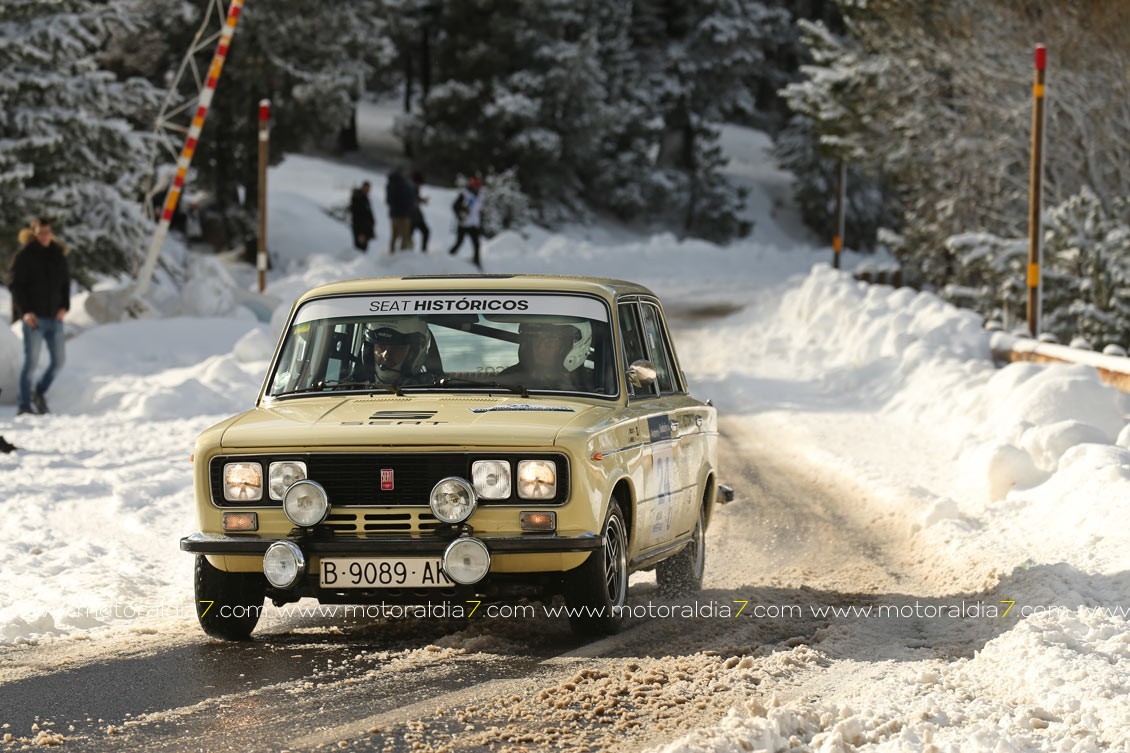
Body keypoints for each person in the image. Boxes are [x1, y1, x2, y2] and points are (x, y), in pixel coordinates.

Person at [10, 217, 70, 416]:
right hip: (34, 318)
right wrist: (25, 311)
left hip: (55, 317)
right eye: (41, 233)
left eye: (48, 232)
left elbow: (65, 283)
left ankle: (39, 392)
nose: (45, 236)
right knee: (31, 363)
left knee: (59, 361)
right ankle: (24, 404)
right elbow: (16, 286)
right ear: (34, 233)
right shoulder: (25, 256)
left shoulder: (57, 254)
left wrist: (65, 306)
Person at [498, 321, 591, 390]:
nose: (539, 347)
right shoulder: (507, 380)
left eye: (550, 340)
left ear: (572, 346)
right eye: (534, 339)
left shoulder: (593, 387)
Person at [354, 318, 437, 386]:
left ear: (414, 354)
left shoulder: (431, 394)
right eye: (380, 346)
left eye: (397, 348)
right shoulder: (348, 388)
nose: (386, 355)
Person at [448, 176, 484, 268]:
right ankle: (448, 257)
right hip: (464, 224)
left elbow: (479, 210)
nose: (477, 188)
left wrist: (481, 222)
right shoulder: (465, 194)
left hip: (474, 224)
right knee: (459, 242)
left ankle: (476, 262)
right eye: (476, 186)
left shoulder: (480, 195)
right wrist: (461, 213)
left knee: (477, 244)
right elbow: (454, 206)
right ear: (472, 186)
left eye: (478, 186)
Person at [386, 168, 416, 253]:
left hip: (393, 214)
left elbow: (388, 201)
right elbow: (408, 199)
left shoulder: (389, 185)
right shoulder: (404, 184)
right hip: (404, 215)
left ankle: (391, 253)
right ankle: (402, 255)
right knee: (405, 236)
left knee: (394, 235)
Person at [350, 181, 376, 251]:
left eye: (369, 189)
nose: (368, 190)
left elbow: (368, 215)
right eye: (367, 188)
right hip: (360, 230)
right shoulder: (358, 199)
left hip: (366, 229)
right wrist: (360, 233)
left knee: (363, 249)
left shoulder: (365, 198)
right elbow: (357, 217)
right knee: (359, 249)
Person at [411, 171, 430, 252]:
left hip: (417, 217)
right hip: (412, 218)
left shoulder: (415, 189)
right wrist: (421, 201)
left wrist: (422, 200)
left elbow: (416, 200)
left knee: (426, 232)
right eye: (420, 183)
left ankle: (423, 250)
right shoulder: (411, 189)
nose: (421, 186)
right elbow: (412, 202)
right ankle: (405, 252)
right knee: (408, 236)